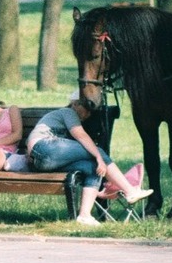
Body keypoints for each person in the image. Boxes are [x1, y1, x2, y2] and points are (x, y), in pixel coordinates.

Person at [27, 92, 152, 227]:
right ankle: (130, 190)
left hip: (44, 161)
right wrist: (99, 156)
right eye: (86, 108)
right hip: (43, 148)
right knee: (98, 153)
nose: (88, 114)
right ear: (75, 104)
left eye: (90, 111)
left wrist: (98, 162)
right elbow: (81, 135)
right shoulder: (68, 112)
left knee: (94, 168)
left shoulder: (69, 117)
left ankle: (84, 216)